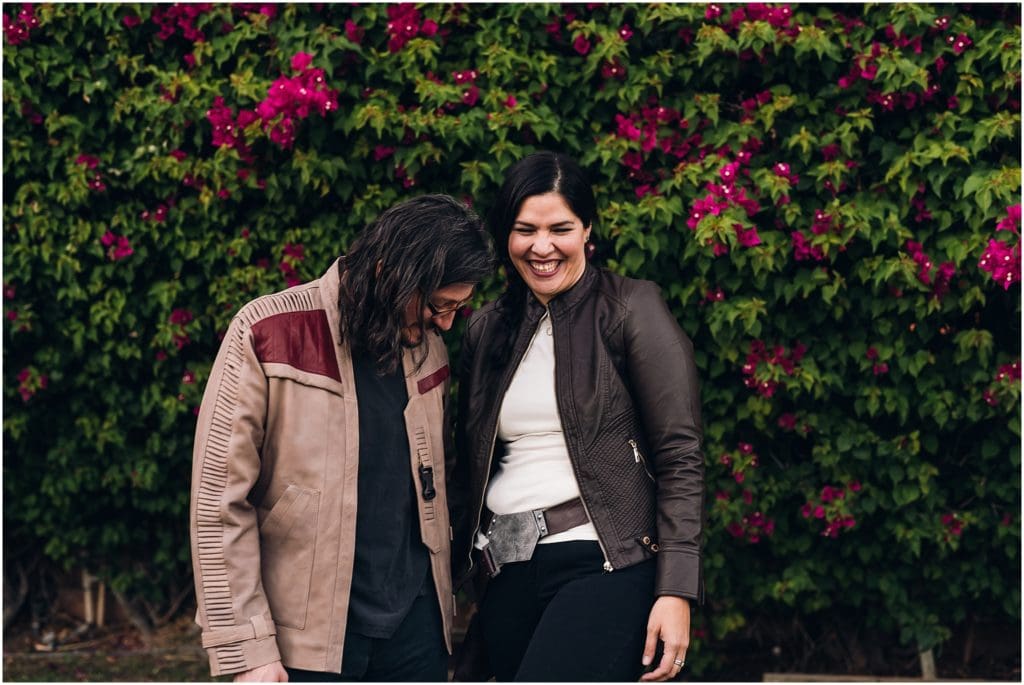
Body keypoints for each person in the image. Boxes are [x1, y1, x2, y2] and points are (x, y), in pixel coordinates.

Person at [190, 194, 493, 682]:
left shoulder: (430, 351)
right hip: (306, 639)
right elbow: (219, 501)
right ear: (390, 272)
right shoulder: (268, 330)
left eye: (459, 307)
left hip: (416, 629)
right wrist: (248, 648)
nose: (446, 323)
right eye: (439, 305)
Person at [452, 152, 704, 682]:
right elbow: (467, 464)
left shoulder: (632, 309)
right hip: (505, 568)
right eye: (525, 230)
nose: (542, 247)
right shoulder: (486, 329)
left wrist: (676, 588)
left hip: (605, 562)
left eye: (559, 228)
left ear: (587, 230)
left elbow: (680, 455)